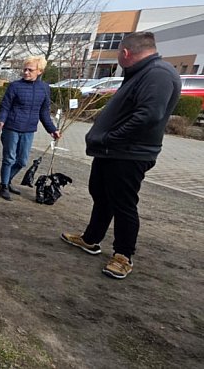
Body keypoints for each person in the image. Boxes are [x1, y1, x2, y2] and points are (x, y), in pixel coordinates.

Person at [61, 32, 181, 279]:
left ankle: (123, 255)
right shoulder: (141, 73)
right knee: (101, 195)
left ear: (125, 53)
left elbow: (148, 116)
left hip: (129, 153)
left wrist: (109, 137)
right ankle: (91, 238)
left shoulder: (158, 74)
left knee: (123, 203)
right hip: (112, 151)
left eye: (117, 53)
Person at [0, 55, 61, 201]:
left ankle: (7, 180)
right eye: (24, 69)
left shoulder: (44, 88)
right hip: (11, 127)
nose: (26, 72)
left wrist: (52, 129)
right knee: (9, 158)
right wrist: (1, 120)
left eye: (30, 70)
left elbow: (44, 112)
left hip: (29, 129)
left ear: (39, 71)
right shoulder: (15, 86)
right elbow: (5, 106)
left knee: (22, 161)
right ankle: (4, 185)